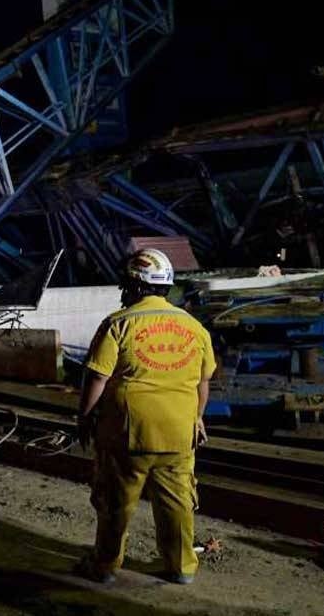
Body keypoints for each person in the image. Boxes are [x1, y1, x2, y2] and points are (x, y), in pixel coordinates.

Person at [77, 248, 216, 585]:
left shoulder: (119, 323)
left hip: (128, 433)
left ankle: (106, 566)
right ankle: (181, 567)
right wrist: (197, 417)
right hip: (179, 433)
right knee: (177, 502)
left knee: (117, 502)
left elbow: (97, 377)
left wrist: (84, 418)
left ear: (135, 285)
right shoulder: (194, 327)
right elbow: (203, 381)